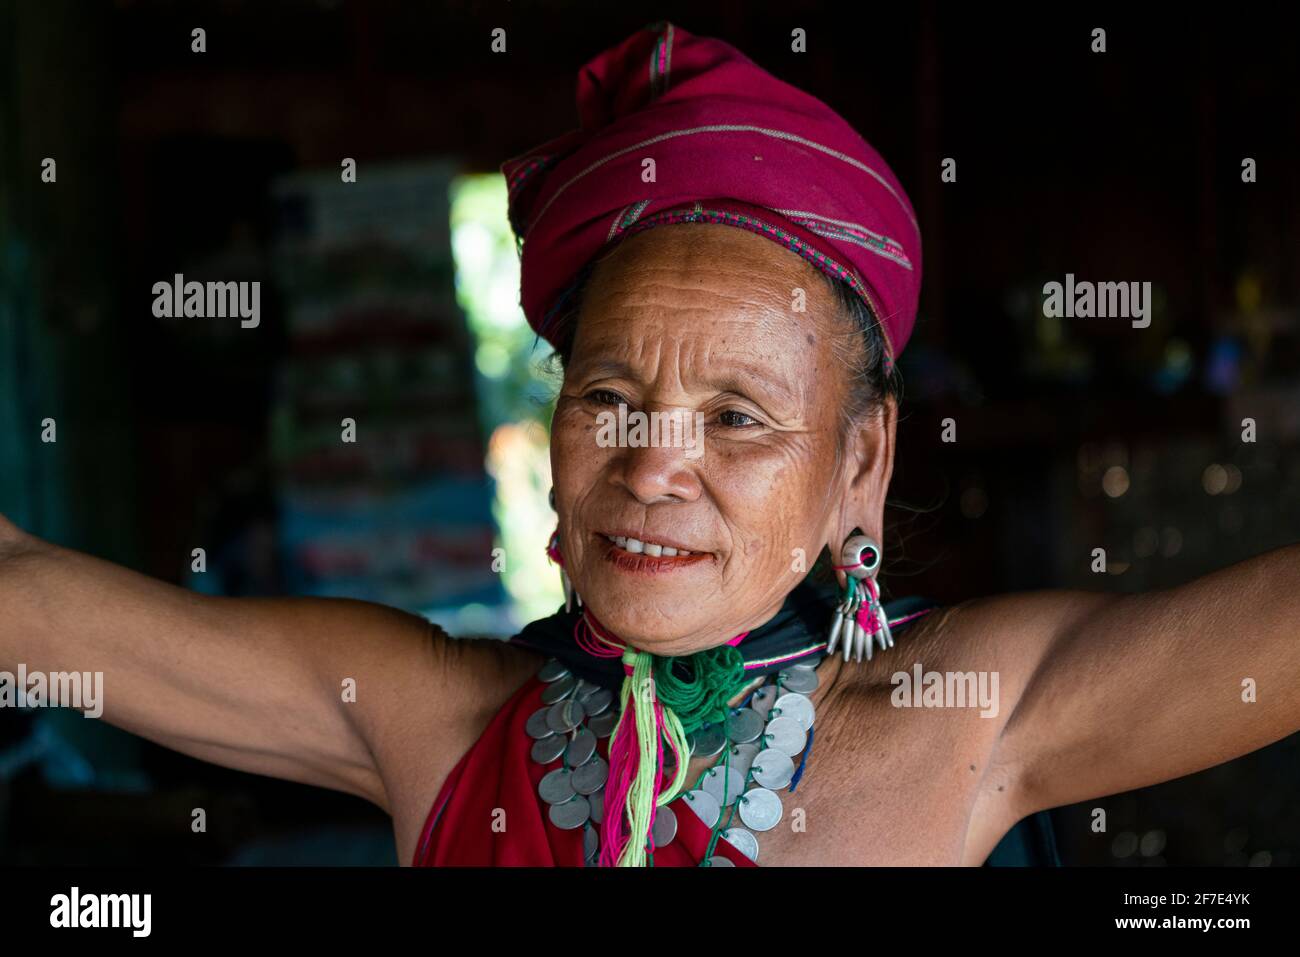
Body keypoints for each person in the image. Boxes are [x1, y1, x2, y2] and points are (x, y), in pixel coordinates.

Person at [2, 22, 1298, 867]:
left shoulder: (966, 721)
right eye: (610, 398)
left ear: (860, 465)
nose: (652, 463)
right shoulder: (436, 717)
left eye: (736, 418)